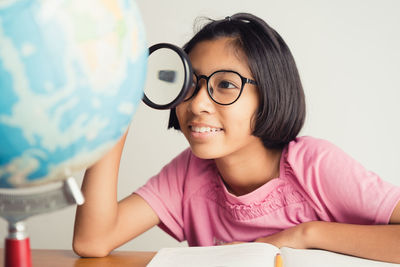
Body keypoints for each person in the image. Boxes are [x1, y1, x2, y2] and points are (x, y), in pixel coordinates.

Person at [73, 13, 400, 263]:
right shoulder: (189, 174)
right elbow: (93, 241)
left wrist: (305, 234)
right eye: (190, 85)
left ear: (269, 94)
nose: (197, 103)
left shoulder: (313, 165)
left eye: (225, 85)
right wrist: (114, 119)